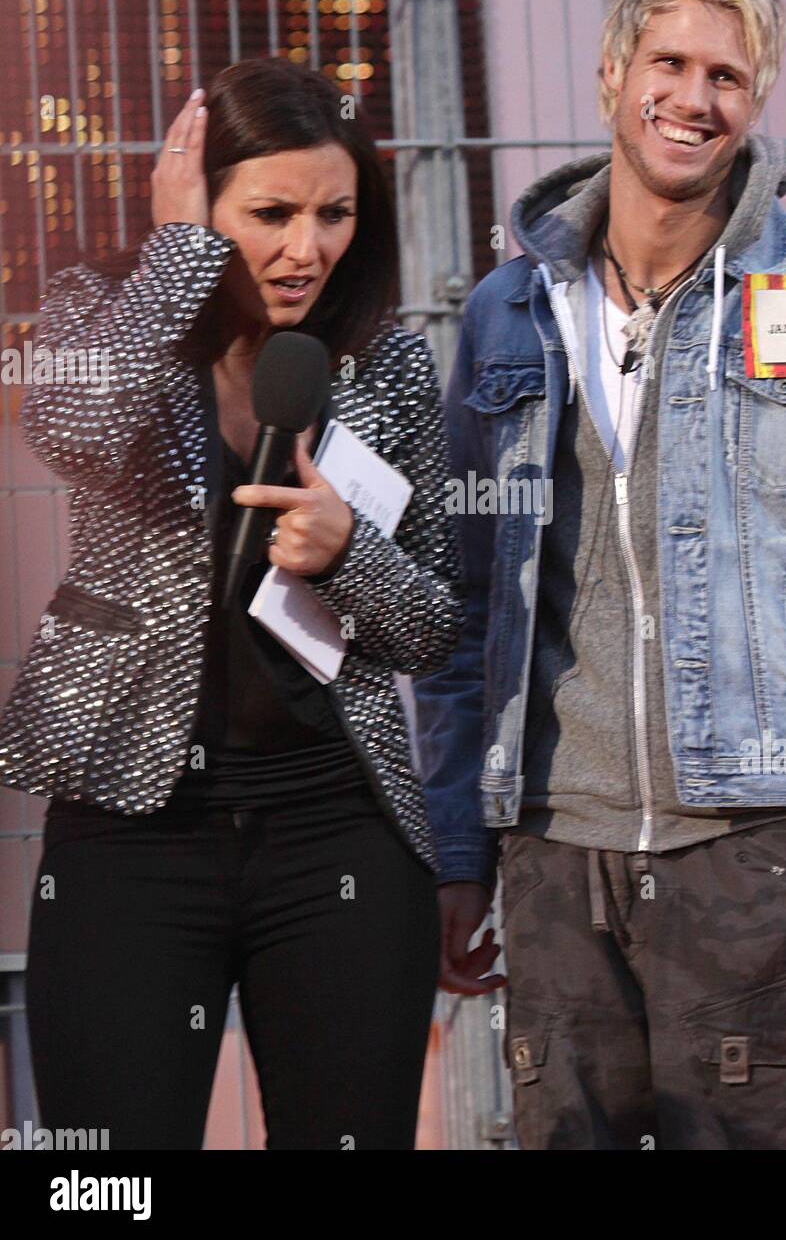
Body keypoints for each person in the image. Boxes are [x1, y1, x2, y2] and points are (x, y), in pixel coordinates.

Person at [412, 0, 786, 1149]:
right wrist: (461, 845)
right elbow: (469, 620)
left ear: (756, 104)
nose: (694, 94)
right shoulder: (506, 312)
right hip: (554, 860)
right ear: (612, 73)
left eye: (727, 74)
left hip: (757, 862)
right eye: (668, 61)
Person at [0, 57, 463, 1150]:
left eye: (332, 213)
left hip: (335, 829)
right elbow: (68, 430)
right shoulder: (102, 312)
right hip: (130, 833)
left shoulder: (387, 364)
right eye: (268, 212)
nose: (305, 248)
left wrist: (350, 553)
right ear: (197, 201)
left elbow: (434, 625)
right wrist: (175, 265)